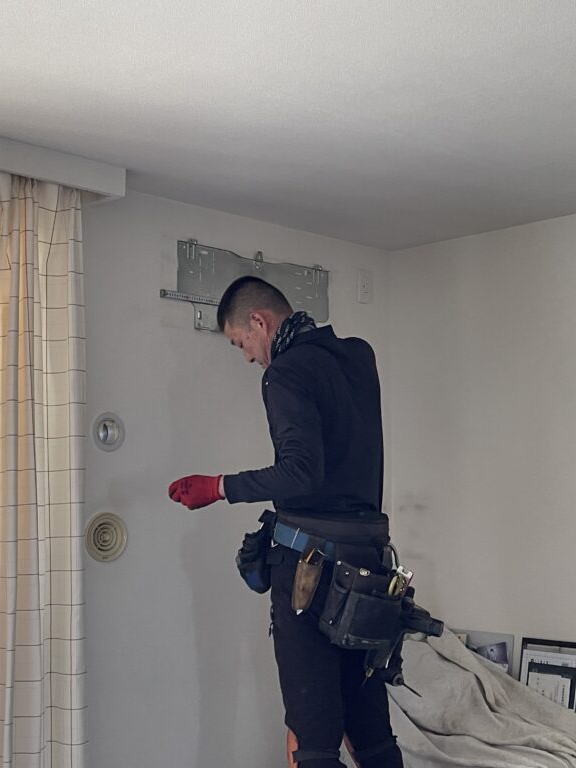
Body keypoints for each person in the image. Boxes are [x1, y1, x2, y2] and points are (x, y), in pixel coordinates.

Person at [168, 276, 404, 768]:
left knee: (312, 737)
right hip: (369, 566)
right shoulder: (359, 356)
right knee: (370, 730)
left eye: (241, 343)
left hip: (309, 572)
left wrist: (218, 487)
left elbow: (301, 472)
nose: (248, 357)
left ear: (260, 322)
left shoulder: (285, 373)